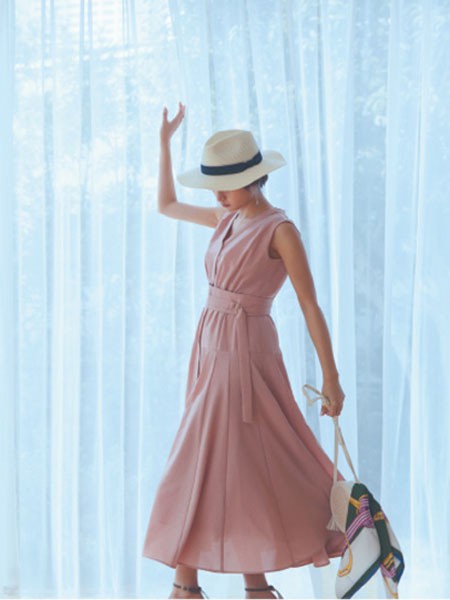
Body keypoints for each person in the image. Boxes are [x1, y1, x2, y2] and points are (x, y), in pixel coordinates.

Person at [142, 102, 346, 600]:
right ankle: (252, 589)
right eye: (214, 185)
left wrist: (332, 377)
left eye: (226, 185)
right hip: (210, 345)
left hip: (245, 350)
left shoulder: (279, 230)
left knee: (204, 458)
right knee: (238, 462)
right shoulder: (225, 217)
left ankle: (187, 587)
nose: (217, 194)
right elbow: (166, 205)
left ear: (255, 179)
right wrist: (164, 144)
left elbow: (310, 304)